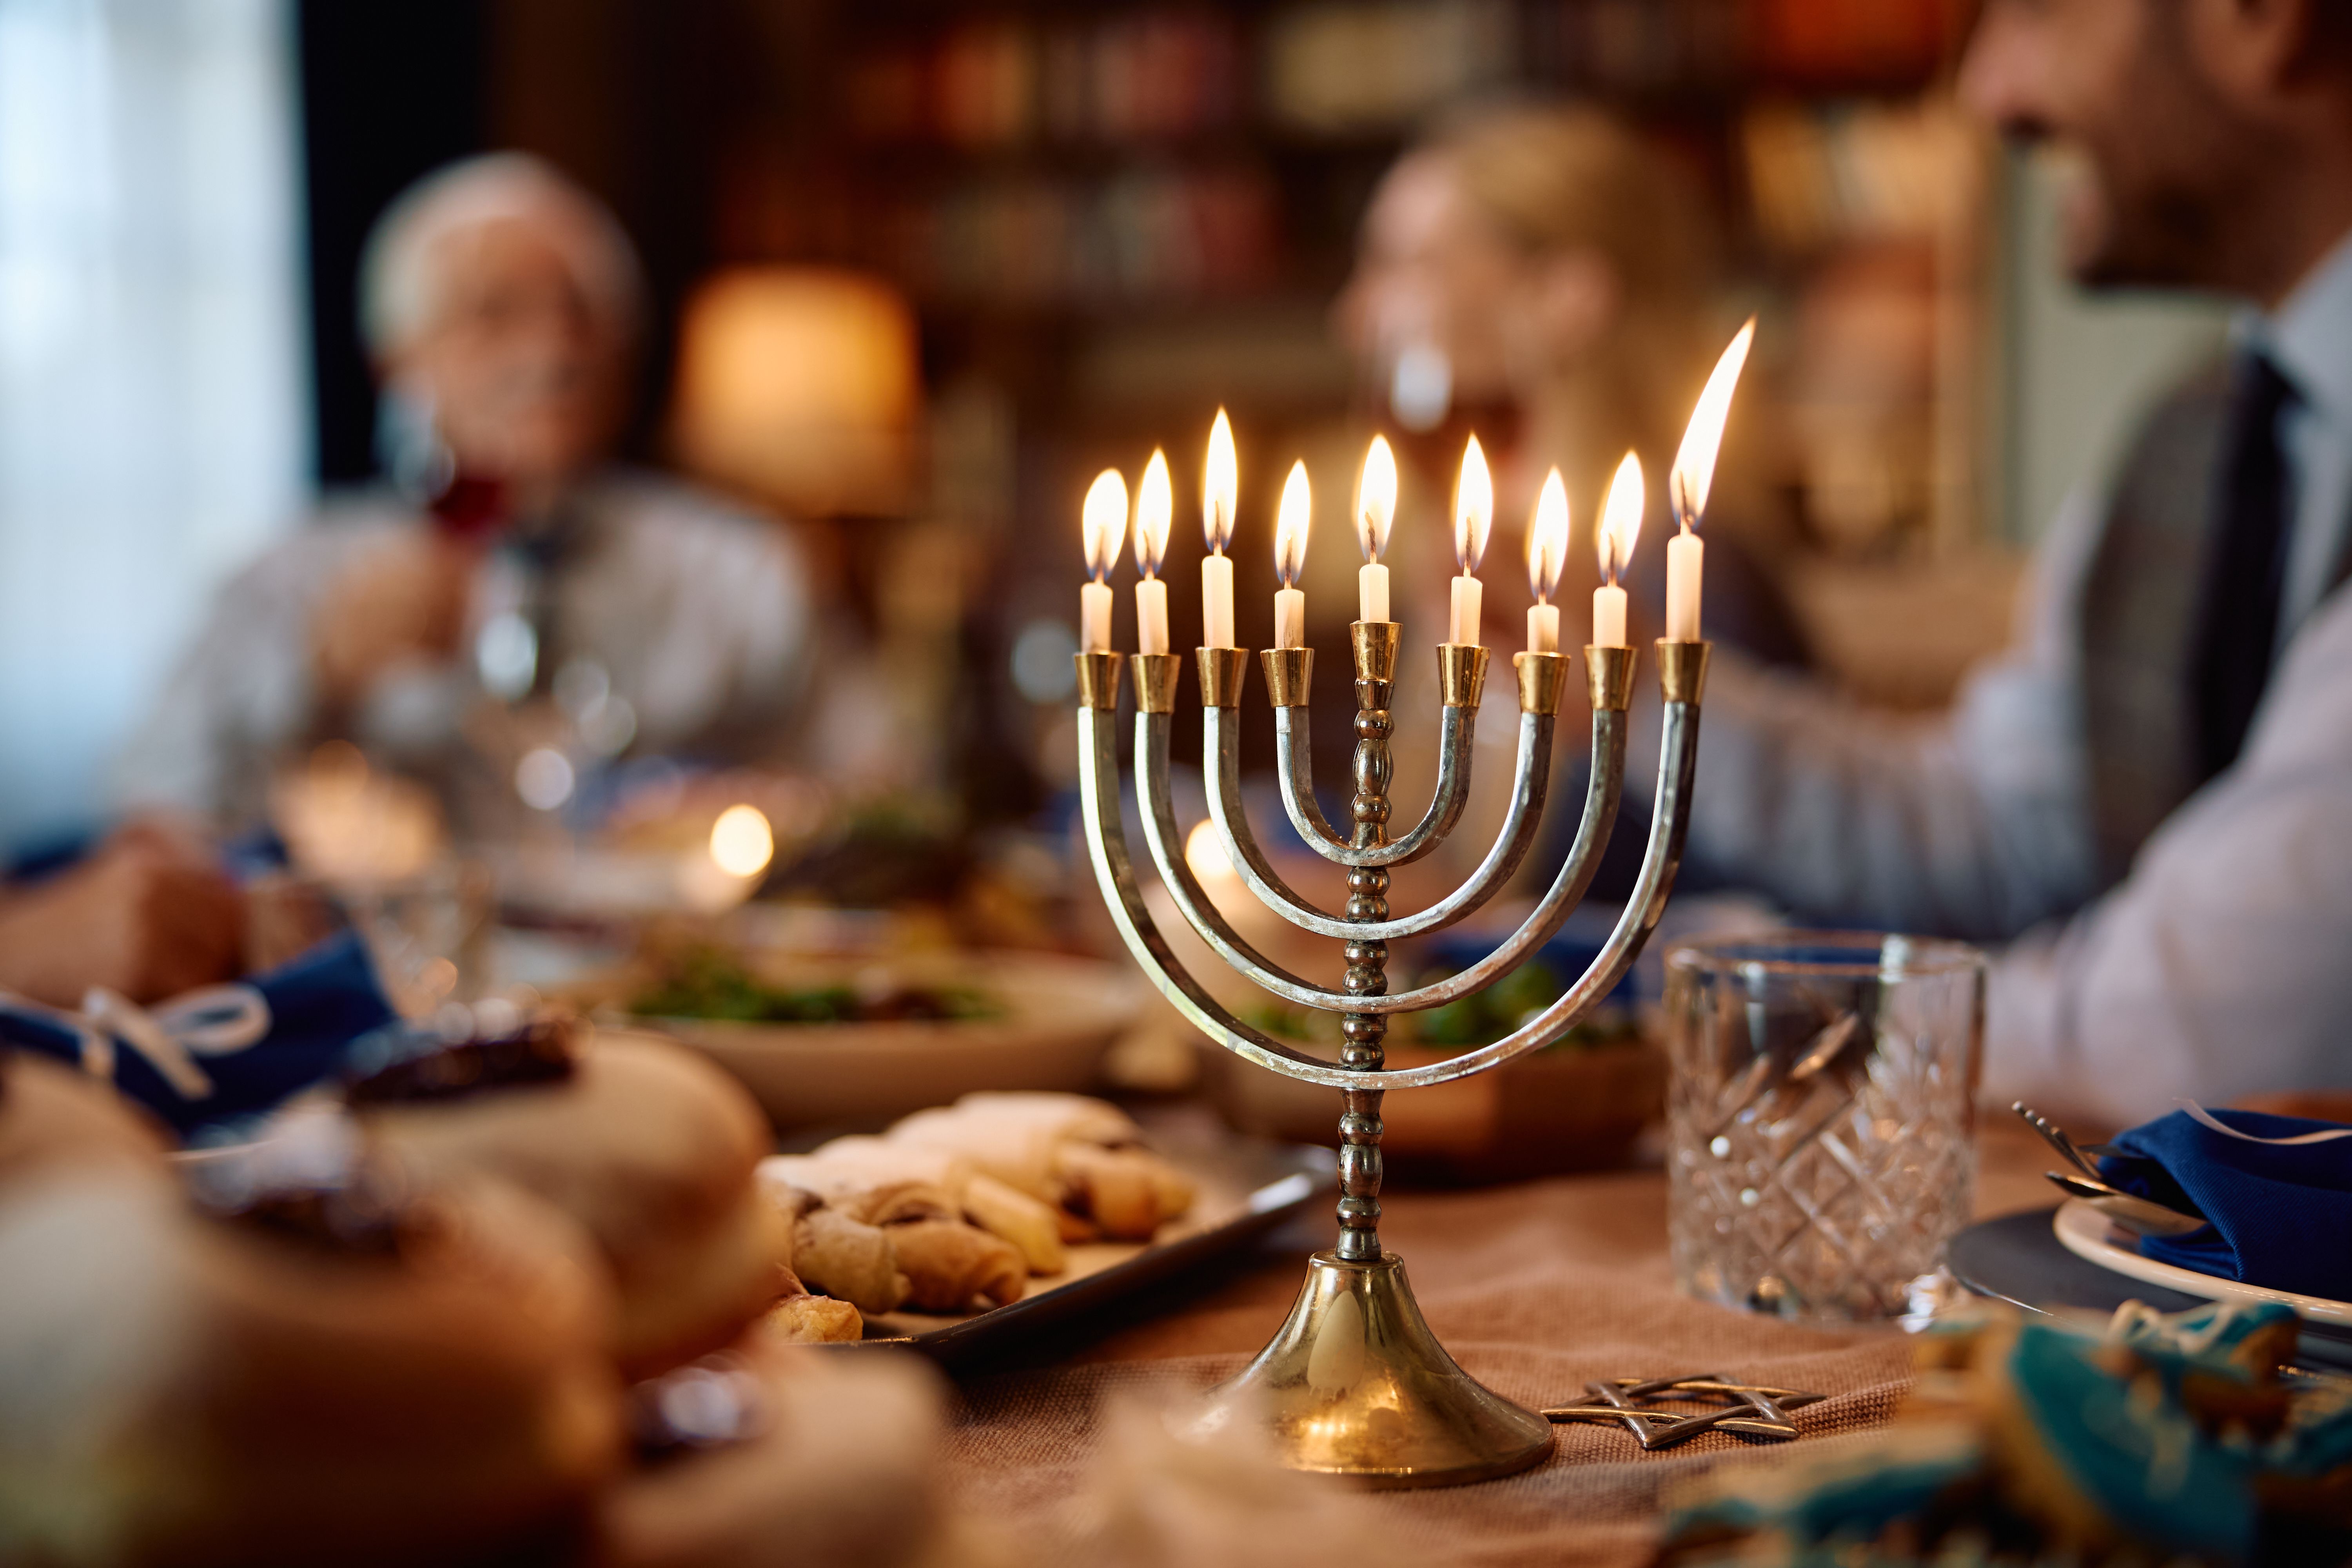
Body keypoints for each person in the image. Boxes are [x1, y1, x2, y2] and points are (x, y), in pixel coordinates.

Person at [1669, 0, 2352, 1122]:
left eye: (2035, 11)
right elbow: (2007, 827)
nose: (1991, 96)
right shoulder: (2195, 433)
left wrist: (1735, 1007)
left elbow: (2198, 1026)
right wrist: (1635, 699)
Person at [116, 154, 816, 837]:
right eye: (494, 314)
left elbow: (871, 791)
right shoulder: (294, 579)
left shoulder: (739, 573)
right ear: (397, 358)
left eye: (581, 315)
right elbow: (153, 810)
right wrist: (314, 676)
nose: (552, 353)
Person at [1336, 103, 1811, 670]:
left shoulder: (1693, 582)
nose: (1352, 317)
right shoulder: (1479, 566)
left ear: (1568, 297)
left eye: (1408, 265)